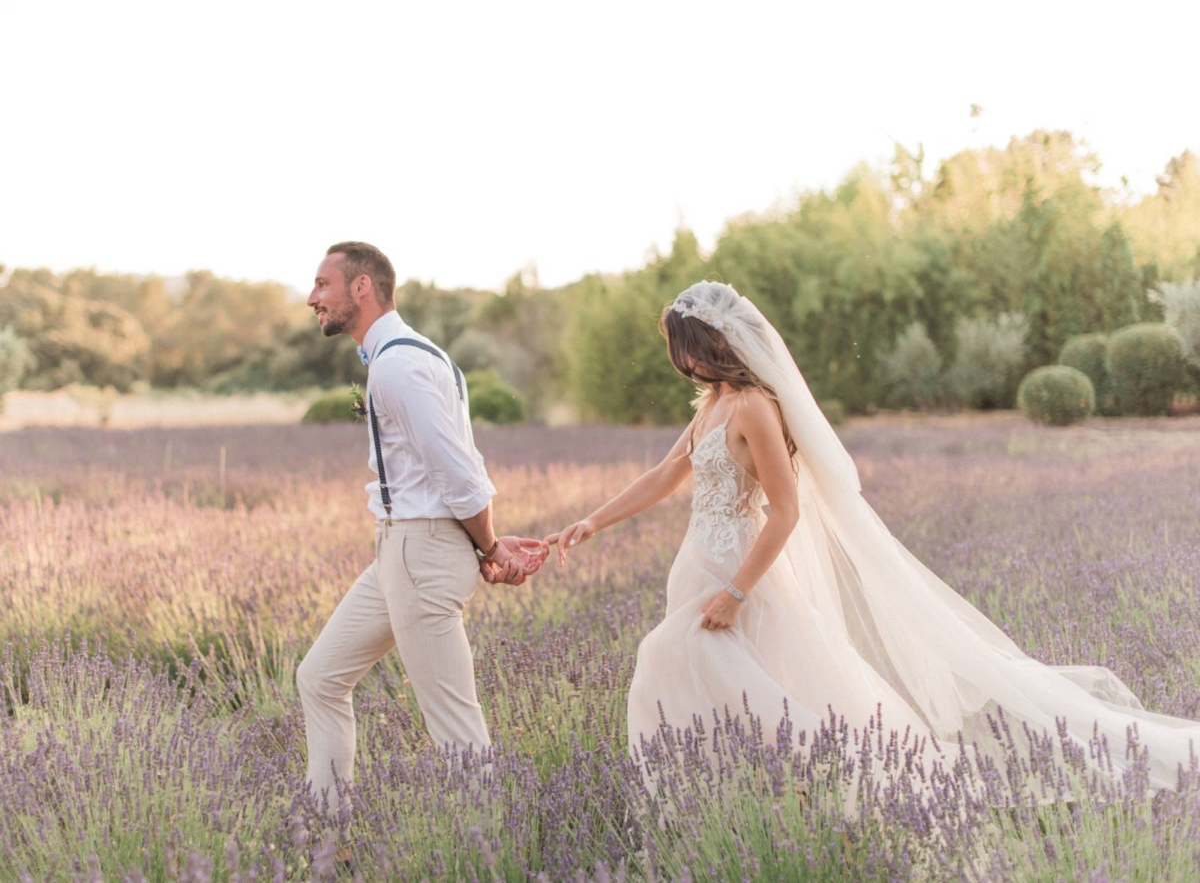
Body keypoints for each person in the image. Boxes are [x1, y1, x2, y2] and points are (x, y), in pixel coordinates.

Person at [546, 279, 1200, 801]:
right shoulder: (711, 404)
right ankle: (736, 803)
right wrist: (591, 522)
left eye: (689, 348)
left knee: (693, 668)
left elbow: (786, 510)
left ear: (718, 343)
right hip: (697, 565)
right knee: (724, 688)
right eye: (678, 351)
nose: (682, 363)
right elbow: (665, 475)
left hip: (741, 572)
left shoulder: (752, 408)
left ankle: (819, 787)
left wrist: (738, 592)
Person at [297, 241, 547, 823]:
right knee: (320, 677)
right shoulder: (407, 355)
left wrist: (488, 546)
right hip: (401, 551)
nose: (313, 298)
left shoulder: (400, 365)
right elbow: (457, 466)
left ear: (362, 288)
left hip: (421, 552)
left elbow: (458, 473)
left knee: (455, 725)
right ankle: (327, 836)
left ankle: (490, 855)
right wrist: (487, 542)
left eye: (323, 285)